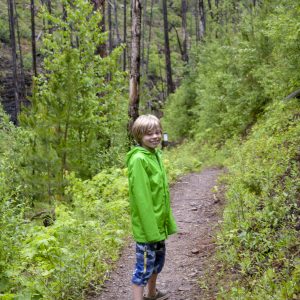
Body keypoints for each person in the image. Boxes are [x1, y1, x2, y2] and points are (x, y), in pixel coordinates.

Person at [126, 115, 177, 300]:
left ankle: (152, 293)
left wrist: (164, 221)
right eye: (149, 134)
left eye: (157, 132)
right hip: (149, 226)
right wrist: (150, 229)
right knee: (143, 268)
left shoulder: (155, 154)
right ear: (139, 136)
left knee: (156, 263)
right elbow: (142, 197)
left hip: (158, 221)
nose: (155, 136)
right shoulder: (139, 159)